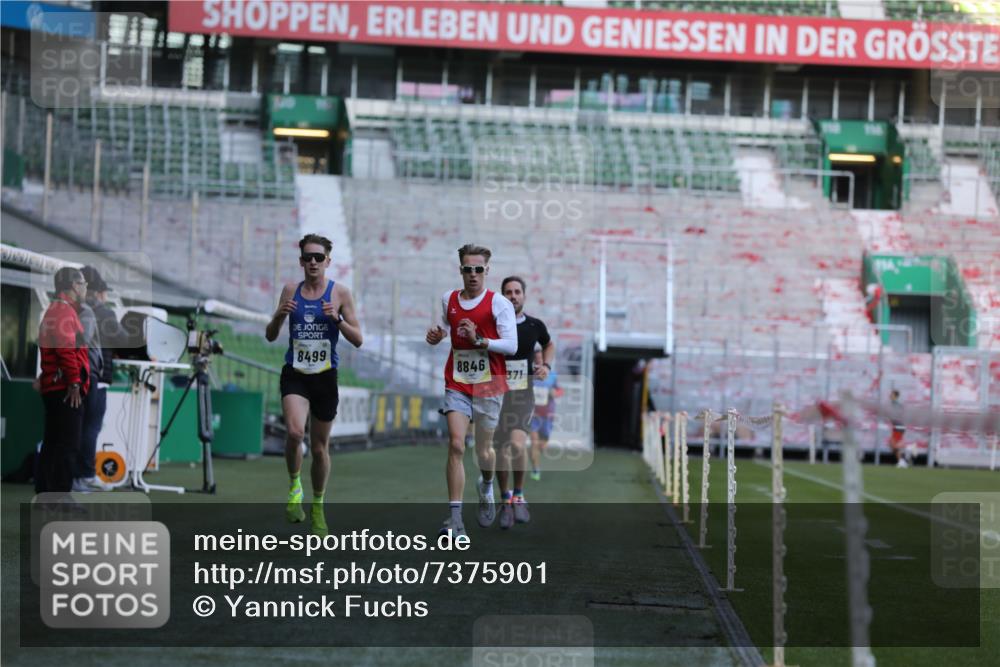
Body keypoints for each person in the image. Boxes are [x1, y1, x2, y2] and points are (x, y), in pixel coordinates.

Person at [265, 234, 363, 536]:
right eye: (308, 257)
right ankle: (295, 487)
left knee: (320, 449)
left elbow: (358, 339)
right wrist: (279, 315)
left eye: (318, 257)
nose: (312, 262)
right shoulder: (290, 290)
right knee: (295, 432)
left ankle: (318, 505)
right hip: (296, 373)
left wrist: (338, 321)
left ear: (328, 261)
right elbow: (270, 335)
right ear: (301, 261)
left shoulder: (341, 294)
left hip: (324, 376)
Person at [426, 244, 516, 537]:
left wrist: (481, 340)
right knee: (455, 444)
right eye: (468, 269)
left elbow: (511, 345)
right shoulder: (448, 299)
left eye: (479, 269)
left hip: (490, 386)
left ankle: (487, 485)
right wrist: (435, 336)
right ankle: (456, 521)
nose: (473, 274)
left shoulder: (498, 303)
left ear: (487, 271)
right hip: (458, 382)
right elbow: (441, 330)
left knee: (484, 451)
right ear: (461, 270)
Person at [494, 276, 555, 530]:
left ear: (524, 295)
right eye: (508, 292)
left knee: (517, 446)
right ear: (502, 296)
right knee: (498, 451)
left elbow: (549, 344)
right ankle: (505, 499)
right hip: (494, 394)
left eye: (517, 291)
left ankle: (518, 496)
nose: (513, 296)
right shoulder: (493, 324)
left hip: (521, 393)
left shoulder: (534, 325)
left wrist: (546, 366)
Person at [35, 267, 90, 494]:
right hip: (65, 388)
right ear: (74, 286)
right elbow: (66, 350)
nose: (86, 287)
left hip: (57, 386)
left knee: (54, 443)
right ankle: (60, 498)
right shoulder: (64, 312)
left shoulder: (56, 310)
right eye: (84, 283)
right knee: (67, 445)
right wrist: (74, 382)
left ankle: (46, 495)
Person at [73, 266, 126, 492]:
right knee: (90, 427)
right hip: (95, 376)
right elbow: (123, 340)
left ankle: (72, 476)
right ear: (97, 291)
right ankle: (84, 475)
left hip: (71, 375)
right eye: (104, 291)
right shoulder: (104, 312)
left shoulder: (71, 309)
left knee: (72, 428)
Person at [529, 347, 559, 482]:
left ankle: (538, 453)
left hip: (548, 414)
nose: (539, 360)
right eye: (537, 358)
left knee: (542, 444)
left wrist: (555, 393)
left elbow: (559, 391)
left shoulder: (552, 375)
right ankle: (535, 468)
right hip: (533, 413)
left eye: (541, 358)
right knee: (534, 442)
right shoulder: (529, 374)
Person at [887, 389, 909, 468]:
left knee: (894, 445)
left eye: (891, 394)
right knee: (892, 445)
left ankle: (902, 461)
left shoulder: (896, 405)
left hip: (899, 427)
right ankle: (902, 461)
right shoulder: (894, 404)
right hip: (897, 426)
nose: (889, 395)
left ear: (895, 396)